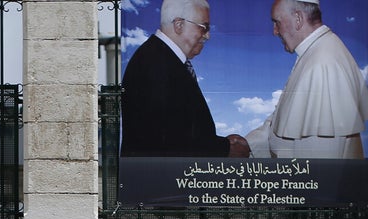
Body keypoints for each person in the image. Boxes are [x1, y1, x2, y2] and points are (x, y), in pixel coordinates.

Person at [121, 0, 250, 157]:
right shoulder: (156, 63)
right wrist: (224, 149)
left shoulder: (159, 57)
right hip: (159, 178)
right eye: (204, 27)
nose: (207, 36)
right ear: (179, 25)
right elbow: (167, 139)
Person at [246, 0, 368, 159]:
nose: (275, 31)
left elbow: (319, 170)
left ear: (298, 18)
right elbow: (280, 122)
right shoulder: (316, 51)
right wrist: (247, 145)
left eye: (277, 22)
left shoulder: (323, 65)